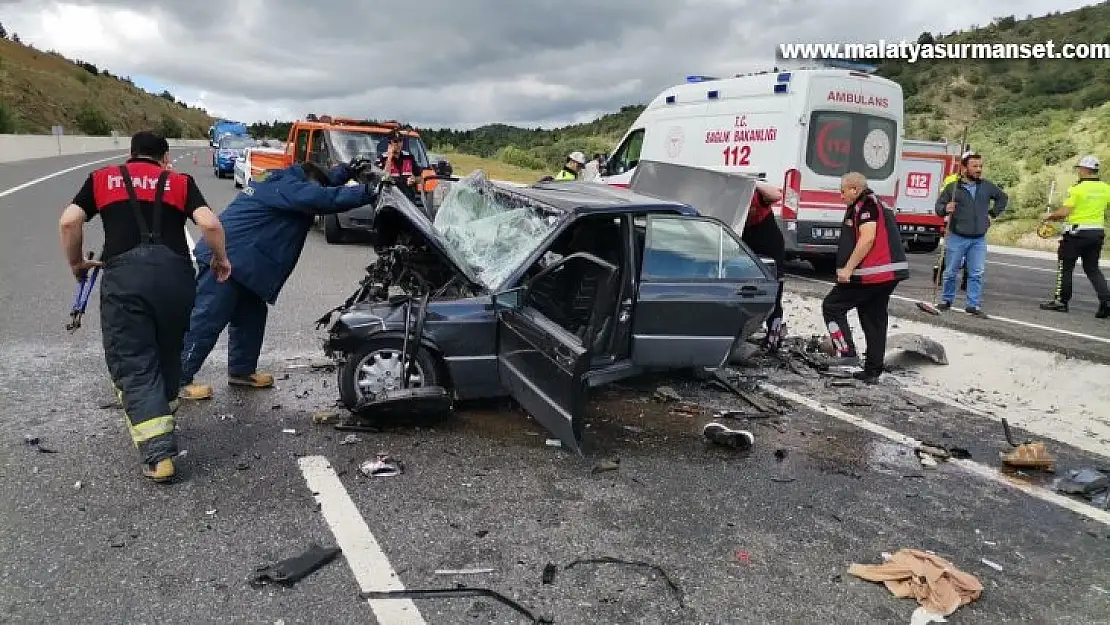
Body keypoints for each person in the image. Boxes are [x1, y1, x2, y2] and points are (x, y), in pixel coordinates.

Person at [58, 131, 230, 482]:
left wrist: (76, 264)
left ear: (132, 153)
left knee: (134, 358)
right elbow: (210, 223)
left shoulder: (103, 179)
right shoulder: (180, 181)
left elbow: (69, 221)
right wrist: (220, 259)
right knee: (168, 351)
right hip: (176, 278)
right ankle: (162, 423)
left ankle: (158, 455)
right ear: (164, 157)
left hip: (126, 278)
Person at [178, 159, 381, 401]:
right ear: (308, 180)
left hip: (247, 264)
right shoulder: (288, 187)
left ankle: (241, 371)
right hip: (225, 260)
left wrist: (347, 171)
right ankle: (178, 380)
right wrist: (369, 191)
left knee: (251, 318)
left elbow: (321, 187)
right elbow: (323, 198)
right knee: (206, 320)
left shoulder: (283, 180)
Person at [821, 172, 909, 383]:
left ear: (855, 189)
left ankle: (846, 354)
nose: (841, 196)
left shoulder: (866, 205)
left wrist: (848, 269)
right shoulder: (879, 203)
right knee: (874, 319)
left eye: (843, 191)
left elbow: (867, 239)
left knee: (832, 306)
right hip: (888, 274)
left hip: (871, 273)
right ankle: (872, 371)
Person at [932, 151, 1008, 317]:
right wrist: (946, 208)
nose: (979, 169)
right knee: (951, 271)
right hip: (957, 236)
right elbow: (938, 207)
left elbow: (1003, 198)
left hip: (978, 239)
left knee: (976, 273)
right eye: (975, 166)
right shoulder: (952, 189)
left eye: (980, 166)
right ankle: (946, 300)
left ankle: (972, 305)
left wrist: (992, 214)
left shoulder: (987, 186)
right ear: (964, 168)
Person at [1039, 155, 1110, 318]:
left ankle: (1061, 301)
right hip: (1096, 233)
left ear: (1084, 170)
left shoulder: (1077, 189)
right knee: (1092, 269)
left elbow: (1065, 211)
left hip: (1076, 234)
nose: (1078, 172)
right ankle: (1106, 301)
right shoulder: (1106, 188)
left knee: (1065, 266)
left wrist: (1050, 217)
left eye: (1079, 169)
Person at [741, 180, 787, 351]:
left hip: (770, 247)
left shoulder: (756, 196)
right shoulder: (729, 200)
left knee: (775, 296)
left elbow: (776, 194)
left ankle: (773, 340)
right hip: (748, 248)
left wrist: (753, 183)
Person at [376, 129, 420, 201]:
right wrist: (389, 157)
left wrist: (414, 179)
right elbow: (383, 177)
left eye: (400, 141)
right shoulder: (382, 159)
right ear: (390, 143)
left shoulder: (409, 157)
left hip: (408, 199)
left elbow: (420, 178)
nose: (399, 144)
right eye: (395, 141)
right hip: (390, 200)